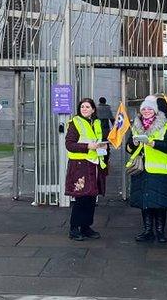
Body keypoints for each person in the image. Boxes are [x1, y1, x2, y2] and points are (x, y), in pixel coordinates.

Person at [126, 95, 167, 243]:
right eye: (144, 109)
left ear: (155, 111)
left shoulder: (166, 126)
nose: (146, 111)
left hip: (160, 170)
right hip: (142, 170)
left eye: (149, 109)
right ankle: (147, 231)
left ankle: (160, 231)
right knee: (145, 202)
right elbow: (129, 148)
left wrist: (154, 144)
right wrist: (134, 143)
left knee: (159, 202)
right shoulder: (136, 126)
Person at [64, 97, 109, 240]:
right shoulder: (75, 123)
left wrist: (104, 146)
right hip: (80, 166)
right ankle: (74, 228)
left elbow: (98, 141)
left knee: (91, 198)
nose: (84, 109)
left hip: (94, 164)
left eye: (87, 107)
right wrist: (88, 146)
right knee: (81, 198)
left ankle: (86, 227)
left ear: (93, 110)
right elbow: (69, 144)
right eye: (82, 107)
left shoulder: (96, 123)